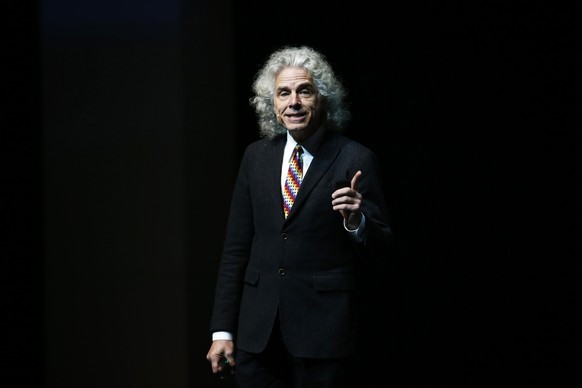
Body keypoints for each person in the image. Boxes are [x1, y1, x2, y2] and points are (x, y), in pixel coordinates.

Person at [206, 45, 393, 388]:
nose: (293, 102)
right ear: (272, 105)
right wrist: (222, 329)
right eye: (283, 93)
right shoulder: (255, 157)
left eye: (304, 91)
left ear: (322, 98)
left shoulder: (356, 158)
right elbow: (236, 249)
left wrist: (357, 222)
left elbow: (383, 253)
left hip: (323, 335)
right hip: (257, 335)